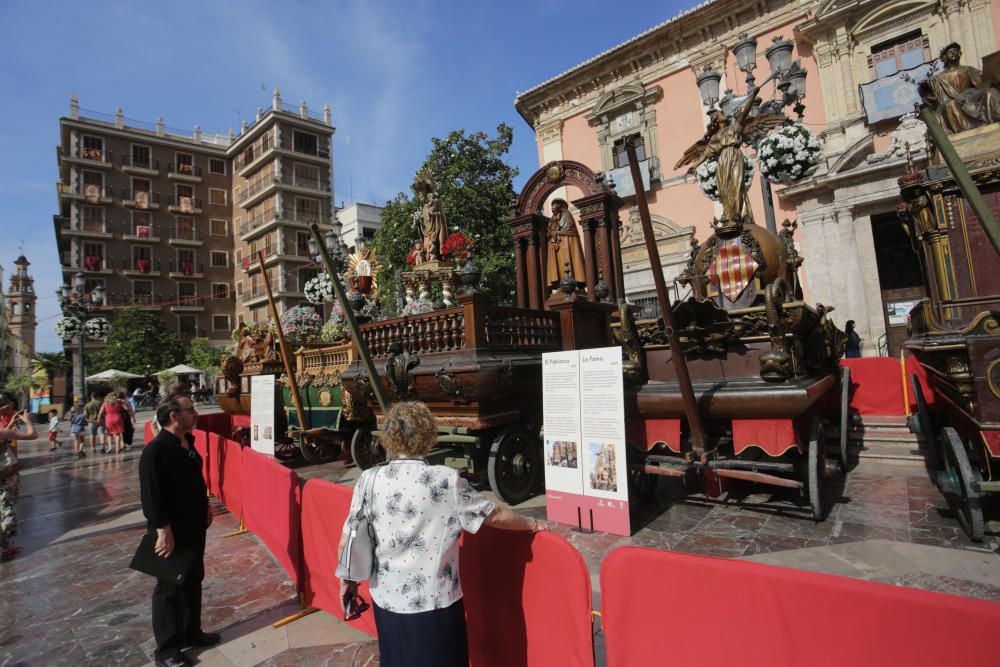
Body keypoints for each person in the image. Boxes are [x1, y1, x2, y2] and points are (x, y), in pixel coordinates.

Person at [338, 401, 549, 667]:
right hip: (433, 603)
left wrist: (347, 581)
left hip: (386, 597)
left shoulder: (368, 479)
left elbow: (349, 536)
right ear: (428, 437)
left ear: (389, 438)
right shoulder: (445, 480)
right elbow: (493, 515)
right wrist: (530, 522)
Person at [139, 396, 218, 667]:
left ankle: (191, 631)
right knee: (169, 587)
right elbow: (151, 495)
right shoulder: (156, 450)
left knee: (194, 577)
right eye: (190, 410)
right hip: (170, 529)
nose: (195, 414)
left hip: (194, 524)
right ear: (174, 416)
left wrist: (205, 505)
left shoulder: (189, 443)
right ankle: (168, 649)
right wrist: (161, 528)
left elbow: (196, 481)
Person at [920, 42, 1000, 135]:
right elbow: (933, 97)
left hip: (972, 97)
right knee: (950, 105)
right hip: (954, 102)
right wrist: (925, 87)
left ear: (960, 54)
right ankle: (962, 132)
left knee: (990, 92)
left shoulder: (968, 69)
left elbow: (982, 84)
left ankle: (995, 116)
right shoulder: (938, 79)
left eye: (956, 51)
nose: (954, 52)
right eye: (951, 51)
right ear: (944, 57)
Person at [0, 395, 38, 562]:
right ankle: (8, 546)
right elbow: (32, 435)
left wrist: (10, 424)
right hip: (6, 474)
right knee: (7, 508)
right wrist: (27, 420)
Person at [544, 198, 587, 289]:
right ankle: (561, 284)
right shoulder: (552, 219)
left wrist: (557, 232)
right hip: (558, 246)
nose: (554, 212)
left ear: (560, 207)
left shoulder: (567, 214)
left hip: (567, 243)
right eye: (552, 210)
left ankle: (574, 284)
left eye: (555, 209)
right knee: (560, 268)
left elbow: (569, 229)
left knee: (569, 265)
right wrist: (552, 233)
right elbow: (550, 231)